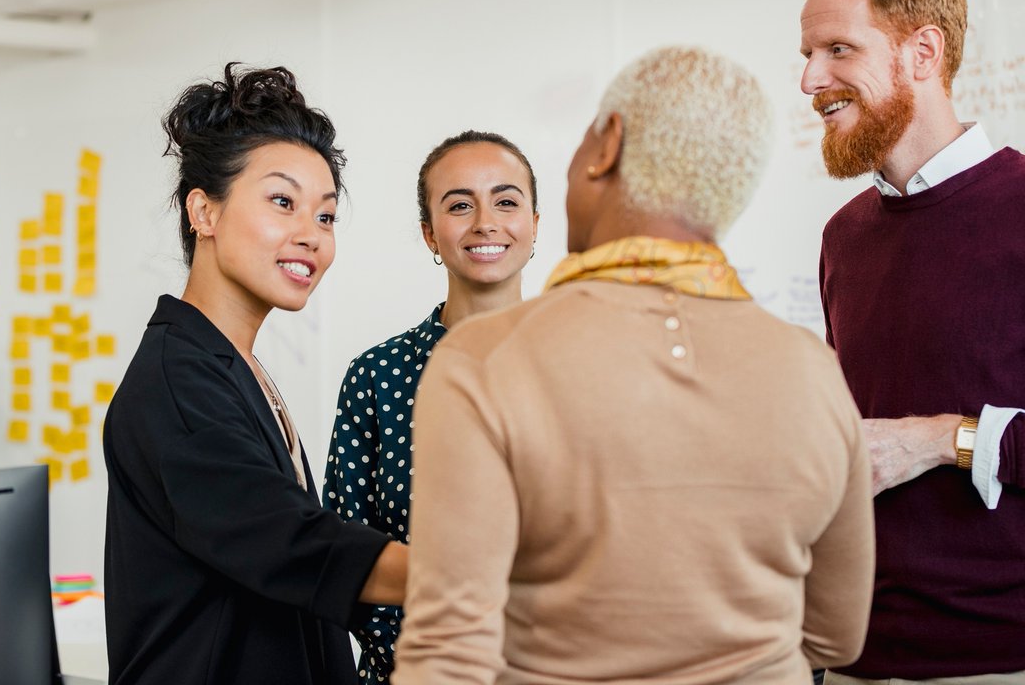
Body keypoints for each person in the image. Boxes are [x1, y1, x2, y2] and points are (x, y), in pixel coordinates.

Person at [392, 46, 875, 685]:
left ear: (607, 144)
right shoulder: (812, 370)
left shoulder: (483, 360)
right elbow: (835, 635)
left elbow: (447, 655)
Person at [103, 63, 407, 685]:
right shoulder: (178, 384)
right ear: (204, 212)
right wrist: (495, 576)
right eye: (281, 202)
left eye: (325, 217)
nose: (310, 236)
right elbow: (291, 543)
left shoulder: (230, 363)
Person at [797, 0, 1025, 683]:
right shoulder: (844, 236)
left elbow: (907, 443)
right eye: (807, 54)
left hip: (996, 658)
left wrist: (943, 440)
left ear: (922, 52)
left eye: (838, 50)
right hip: (851, 655)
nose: (810, 80)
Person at [324, 130, 539, 684]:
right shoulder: (377, 377)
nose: (486, 222)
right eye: (460, 205)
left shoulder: (585, 365)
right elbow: (344, 551)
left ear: (534, 225)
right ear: (430, 234)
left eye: (507, 201)